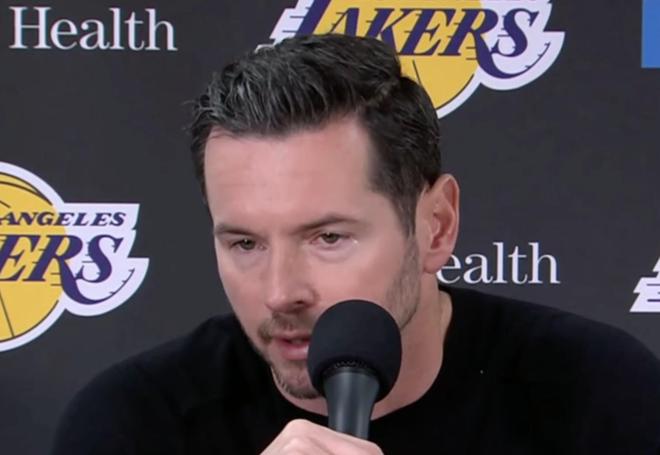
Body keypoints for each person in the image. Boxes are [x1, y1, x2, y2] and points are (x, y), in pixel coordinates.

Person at [52, 34, 660, 454]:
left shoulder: (596, 394)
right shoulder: (134, 422)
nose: (280, 292)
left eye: (328, 237)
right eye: (245, 244)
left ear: (436, 225)